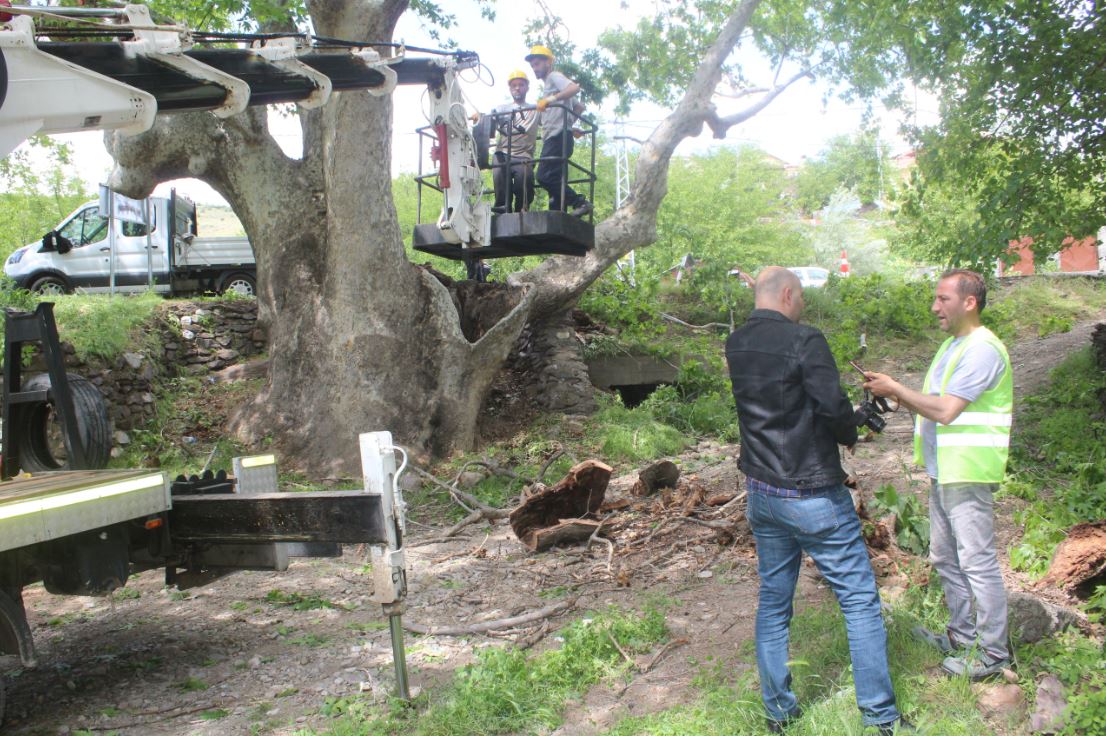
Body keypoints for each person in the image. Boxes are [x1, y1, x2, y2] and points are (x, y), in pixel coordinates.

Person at [726, 267, 906, 735]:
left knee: (773, 603)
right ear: (787, 293)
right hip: (812, 495)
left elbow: (781, 408)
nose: (802, 304)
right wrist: (854, 428)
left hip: (762, 493)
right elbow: (831, 410)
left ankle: (778, 713)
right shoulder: (806, 340)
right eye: (801, 296)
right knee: (860, 601)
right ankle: (881, 718)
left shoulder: (736, 343)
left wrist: (843, 421)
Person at [863, 269, 1013, 681]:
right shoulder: (952, 345)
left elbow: (947, 411)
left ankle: (994, 653)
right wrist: (894, 395)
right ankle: (963, 639)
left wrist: (896, 389)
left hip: (968, 470)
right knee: (946, 557)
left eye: (943, 299)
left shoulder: (983, 349)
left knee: (977, 562)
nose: (934, 307)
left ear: (969, 302)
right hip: (944, 470)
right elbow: (932, 402)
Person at [524, 44, 592, 217]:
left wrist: (550, 99)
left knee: (544, 176)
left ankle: (580, 202)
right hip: (562, 135)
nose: (534, 68)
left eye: (537, 64)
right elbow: (579, 106)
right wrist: (570, 124)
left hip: (556, 137)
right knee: (556, 178)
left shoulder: (554, 77)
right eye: (532, 66)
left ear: (548, 62)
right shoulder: (550, 83)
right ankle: (558, 213)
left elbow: (574, 88)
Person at [487, 70, 539, 214]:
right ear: (510, 88)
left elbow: (552, 120)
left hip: (524, 154)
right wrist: (481, 117)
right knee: (500, 178)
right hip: (502, 152)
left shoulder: (535, 109)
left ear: (527, 87)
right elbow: (488, 125)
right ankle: (502, 211)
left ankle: (522, 210)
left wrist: (571, 127)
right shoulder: (501, 108)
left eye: (521, 85)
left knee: (525, 178)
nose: (517, 88)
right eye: (514, 85)